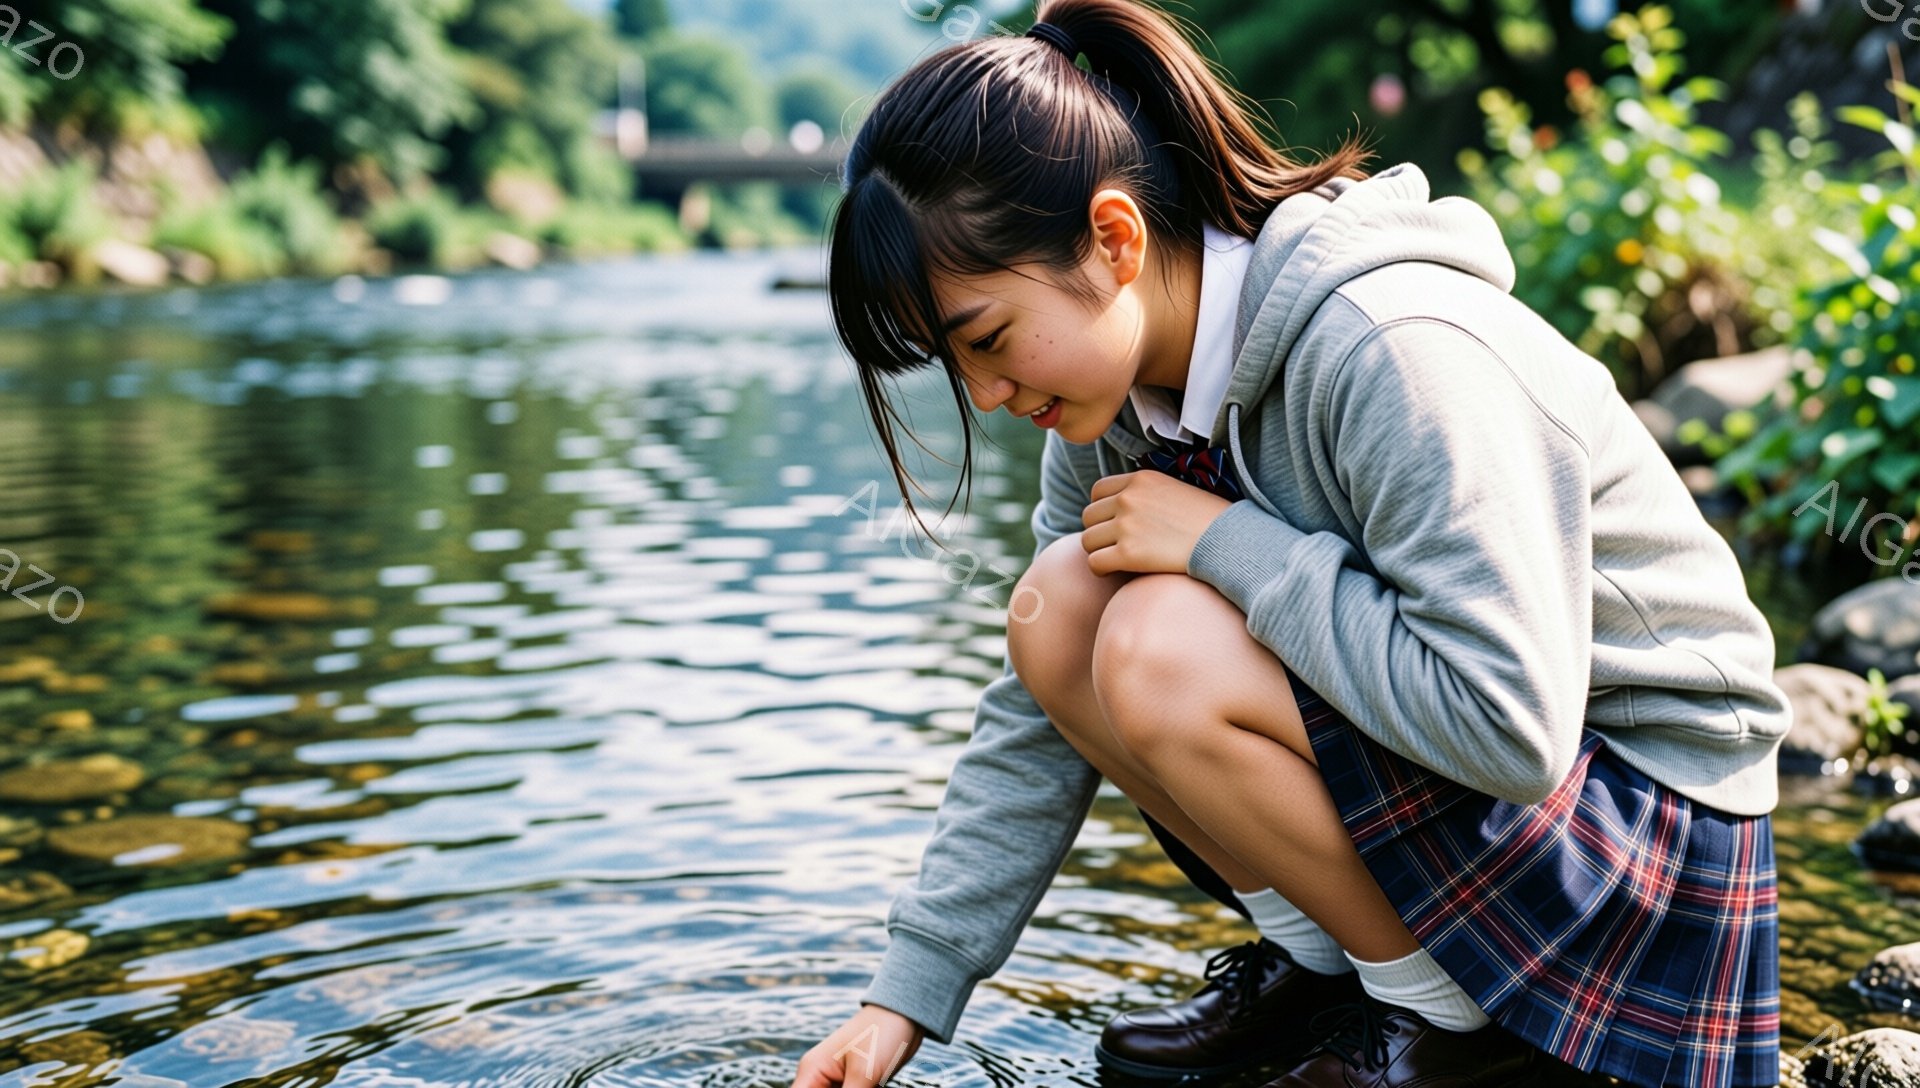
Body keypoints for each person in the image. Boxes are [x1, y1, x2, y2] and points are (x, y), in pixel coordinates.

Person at [791, 1, 1793, 1085]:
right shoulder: (1115, 400)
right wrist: (910, 991)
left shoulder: (1393, 349)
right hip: (1496, 806)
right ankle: (1333, 976)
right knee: (1056, 606)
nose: (987, 396)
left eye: (987, 337)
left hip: (1640, 824)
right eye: (955, 367)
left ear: (1116, 239)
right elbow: (1034, 720)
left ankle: (1453, 1032)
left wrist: (1227, 543)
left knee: (1155, 636)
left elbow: (1510, 729)